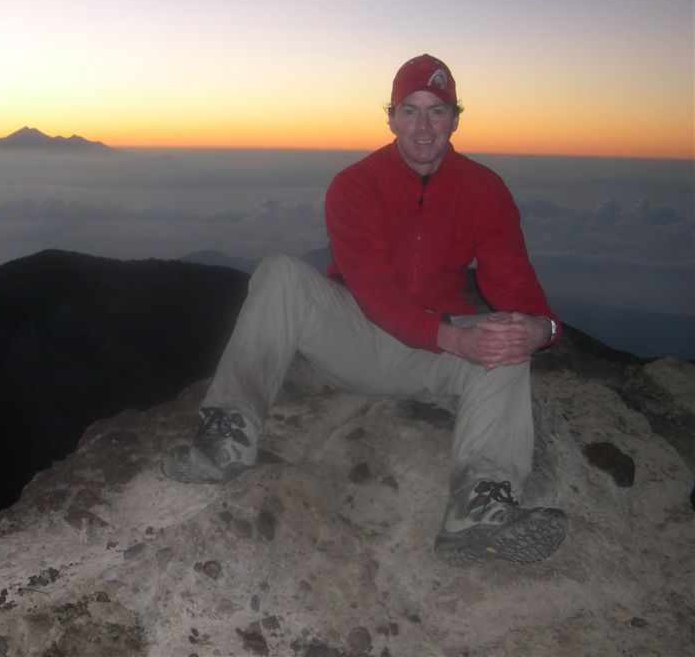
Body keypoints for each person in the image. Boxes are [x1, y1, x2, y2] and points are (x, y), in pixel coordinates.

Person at [164, 54, 567, 565]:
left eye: (437, 112)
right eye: (410, 111)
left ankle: (479, 510)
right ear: (392, 117)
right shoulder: (355, 184)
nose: (424, 127)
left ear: (456, 118)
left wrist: (540, 327)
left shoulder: (485, 190)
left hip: (435, 357)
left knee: (508, 335)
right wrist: (454, 338)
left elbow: (513, 282)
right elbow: (375, 294)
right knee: (280, 271)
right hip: (357, 337)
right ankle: (228, 437)